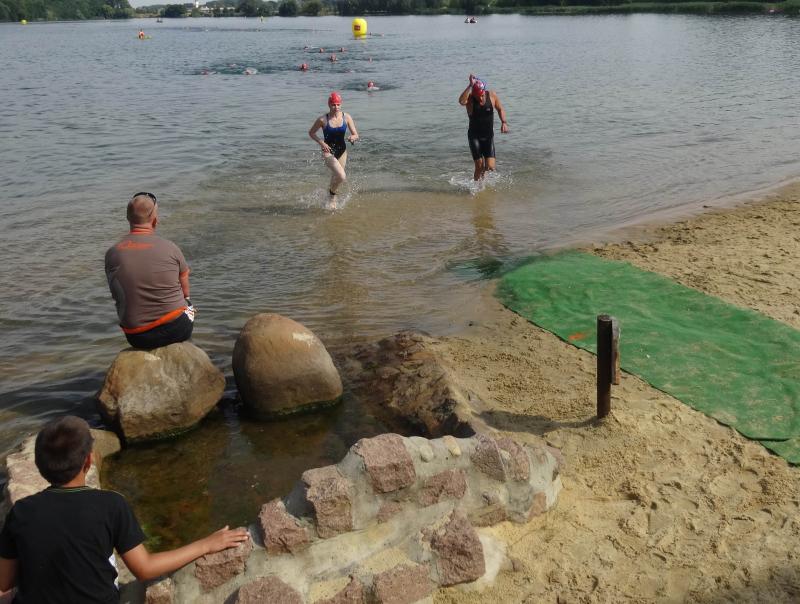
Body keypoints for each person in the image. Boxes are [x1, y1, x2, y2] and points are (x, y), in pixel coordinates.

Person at [0, 416, 249, 603]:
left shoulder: (21, 512)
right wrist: (206, 544)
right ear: (89, 460)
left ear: (39, 465)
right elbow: (144, 568)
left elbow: (4, 582)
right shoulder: (110, 505)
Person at [105, 192, 195, 349]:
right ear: (155, 220)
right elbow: (185, 290)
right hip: (176, 329)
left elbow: (116, 294)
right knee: (188, 303)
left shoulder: (112, 253)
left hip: (136, 336)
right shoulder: (170, 247)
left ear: (128, 219)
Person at [308, 92, 360, 209]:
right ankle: (332, 195)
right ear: (329, 104)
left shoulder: (346, 117)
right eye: (333, 105)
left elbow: (356, 134)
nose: (336, 107)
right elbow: (311, 133)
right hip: (328, 152)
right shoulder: (323, 119)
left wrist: (353, 137)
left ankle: (331, 196)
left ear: (341, 104)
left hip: (342, 151)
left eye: (338, 104)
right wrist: (322, 143)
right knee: (341, 176)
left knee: (336, 176)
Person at [458, 74, 509, 181]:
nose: (480, 98)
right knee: (479, 166)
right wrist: (470, 85)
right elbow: (461, 101)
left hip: (488, 137)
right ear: (473, 93)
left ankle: (482, 179)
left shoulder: (492, 95)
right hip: (474, 137)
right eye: (478, 96)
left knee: (490, 167)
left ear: (484, 91)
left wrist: (504, 122)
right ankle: (477, 187)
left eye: (482, 95)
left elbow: (500, 109)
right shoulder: (470, 99)